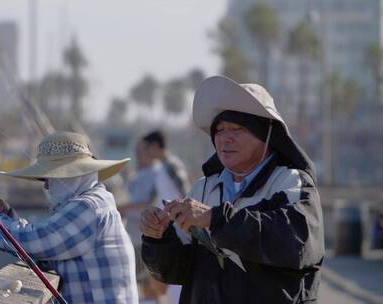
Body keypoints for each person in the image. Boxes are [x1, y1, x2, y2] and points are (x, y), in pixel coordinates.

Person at [139, 76, 325, 303]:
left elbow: (296, 244)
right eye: (220, 130)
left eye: (237, 129)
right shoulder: (203, 189)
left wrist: (214, 218)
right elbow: (177, 271)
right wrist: (158, 238)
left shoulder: (291, 183)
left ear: (266, 134)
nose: (225, 138)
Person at [0, 131, 138, 303]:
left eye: (48, 178)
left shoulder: (89, 207)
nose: (46, 187)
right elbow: (46, 246)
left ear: (71, 175)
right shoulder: (95, 202)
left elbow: (35, 241)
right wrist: (7, 216)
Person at [119, 131, 190, 303]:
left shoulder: (171, 166)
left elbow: (185, 194)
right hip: (166, 230)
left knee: (157, 287)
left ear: (156, 146)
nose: (145, 152)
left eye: (147, 148)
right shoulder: (162, 168)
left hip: (177, 232)